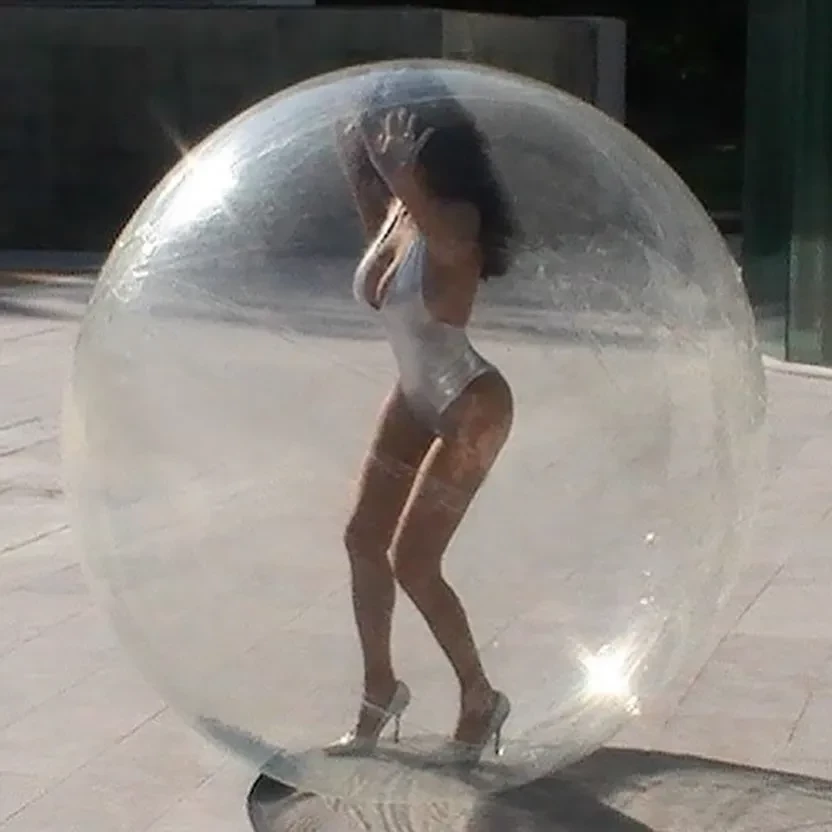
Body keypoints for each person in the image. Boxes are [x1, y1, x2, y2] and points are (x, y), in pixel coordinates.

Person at [328, 70, 519, 766]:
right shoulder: (396, 213)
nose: (380, 140)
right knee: (361, 539)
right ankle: (380, 690)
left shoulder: (456, 215)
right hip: (414, 395)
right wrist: (366, 174)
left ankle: (480, 697)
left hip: (471, 401)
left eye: (393, 127)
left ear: (428, 137)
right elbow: (383, 275)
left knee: (415, 559)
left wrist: (399, 178)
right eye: (374, 132)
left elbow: (449, 250)